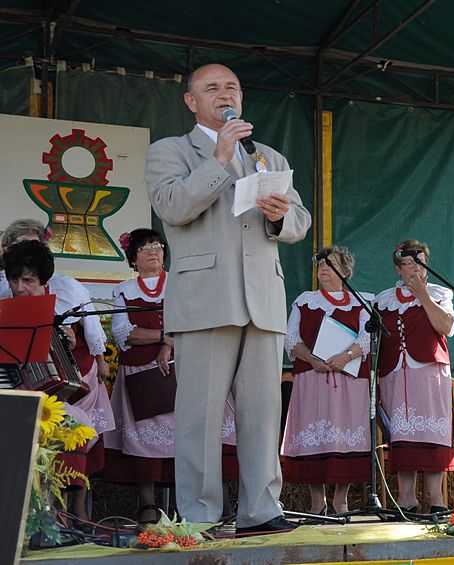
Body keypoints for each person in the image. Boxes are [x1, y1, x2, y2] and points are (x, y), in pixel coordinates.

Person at [145, 63, 312, 534]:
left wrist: (281, 217)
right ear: (191, 101)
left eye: (233, 87)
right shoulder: (170, 151)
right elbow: (174, 207)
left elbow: (300, 222)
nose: (225, 94)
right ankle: (198, 516)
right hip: (204, 299)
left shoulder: (269, 156)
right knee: (199, 414)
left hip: (262, 299)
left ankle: (260, 510)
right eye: (212, 88)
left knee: (262, 411)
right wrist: (217, 160)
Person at [102, 228, 239, 524]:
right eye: (144, 247)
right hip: (142, 375)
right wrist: (166, 335)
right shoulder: (123, 290)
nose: (153, 251)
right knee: (144, 441)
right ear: (132, 258)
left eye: (157, 245)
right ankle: (148, 506)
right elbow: (124, 332)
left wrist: (168, 344)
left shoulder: (181, 282)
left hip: (188, 370)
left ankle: (214, 504)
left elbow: (199, 320)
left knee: (201, 434)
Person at [4, 240, 114, 520]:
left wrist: (68, 343)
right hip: (9, 395)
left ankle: (63, 514)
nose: (19, 288)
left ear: (44, 280)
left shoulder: (58, 311)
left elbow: (65, 374)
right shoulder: (4, 310)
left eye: (28, 280)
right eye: (14, 279)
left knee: (75, 424)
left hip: (48, 401)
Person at [281, 245, 371, 515]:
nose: (323, 268)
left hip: (349, 382)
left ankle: (341, 500)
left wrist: (344, 357)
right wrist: (311, 359)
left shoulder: (362, 301)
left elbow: (366, 338)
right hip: (313, 379)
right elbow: (291, 338)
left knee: (346, 440)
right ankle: (317, 501)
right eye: (320, 264)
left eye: (330, 264)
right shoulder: (305, 300)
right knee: (315, 438)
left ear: (344, 271)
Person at [376, 240, 454, 515]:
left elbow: (446, 326)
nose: (414, 268)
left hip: (430, 373)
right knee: (403, 437)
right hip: (395, 374)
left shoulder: (439, 293)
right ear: (398, 269)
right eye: (408, 263)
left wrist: (423, 296)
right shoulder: (383, 299)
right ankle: (406, 501)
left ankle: (437, 500)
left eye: (419, 262)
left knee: (432, 434)